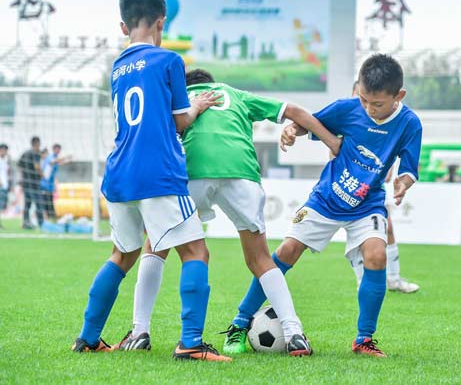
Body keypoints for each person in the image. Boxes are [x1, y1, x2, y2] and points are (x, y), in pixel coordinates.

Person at [115, 68, 341, 357]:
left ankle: (139, 331)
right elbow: (294, 110)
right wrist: (332, 142)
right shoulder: (236, 95)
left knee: (155, 246)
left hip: (192, 173)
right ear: (213, 82)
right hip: (242, 176)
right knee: (259, 258)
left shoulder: (181, 99)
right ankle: (294, 333)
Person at [71, 0, 231, 362]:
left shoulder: (117, 68)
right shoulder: (169, 62)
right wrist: (196, 106)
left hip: (119, 174)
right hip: (158, 173)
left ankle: (88, 337)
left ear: (123, 26)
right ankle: (190, 343)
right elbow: (178, 123)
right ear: (161, 22)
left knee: (122, 254)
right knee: (196, 251)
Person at [223, 54, 422, 358]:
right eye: (364, 100)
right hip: (326, 198)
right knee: (286, 252)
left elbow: (409, 166)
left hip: (367, 204)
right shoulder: (349, 108)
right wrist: (292, 130)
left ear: (399, 96)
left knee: (377, 256)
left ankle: (364, 339)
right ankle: (239, 323)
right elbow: (312, 122)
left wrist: (403, 183)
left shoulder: (409, 124)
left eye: (377, 104)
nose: (369, 108)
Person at [349, 82, 418, 294]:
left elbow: (388, 162)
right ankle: (363, 281)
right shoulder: (350, 121)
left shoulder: (388, 123)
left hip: (375, 189)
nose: (368, 106)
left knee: (387, 229)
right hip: (349, 189)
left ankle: (394, 279)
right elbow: (334, 154)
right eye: (361, 98)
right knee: (358, 238)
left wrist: (393, 175)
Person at [17, 136, 43, 229]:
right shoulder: (35, 153)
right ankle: (41, 223)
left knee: (27, 204)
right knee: (39, 203)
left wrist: (22, 177)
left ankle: (26, 222)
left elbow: (19, 166)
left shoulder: (25, 153)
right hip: (34, 183)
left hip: (26, 183)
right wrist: (42, 175)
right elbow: (37, 166)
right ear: (37, 144)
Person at [40, 143, 71, 221]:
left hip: (50, 184)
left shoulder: (56, 158)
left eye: (59, 149)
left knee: (50, 200)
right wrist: (65, 157)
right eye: (57, 149)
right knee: (45, 201)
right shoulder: (50, 157)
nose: (58, 151)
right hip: (44, 183)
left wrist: (68, 160)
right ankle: (45, 217)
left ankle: (51, 217)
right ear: (53, 149)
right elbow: (53, 162)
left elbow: (59, 163)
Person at [0, 143, 11, 229]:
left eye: (5, 150)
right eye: (3, 150)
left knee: (2, 206)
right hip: (0, 185)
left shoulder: (5, 161)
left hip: (5, 186)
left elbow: (7, 173)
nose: (4, 152)